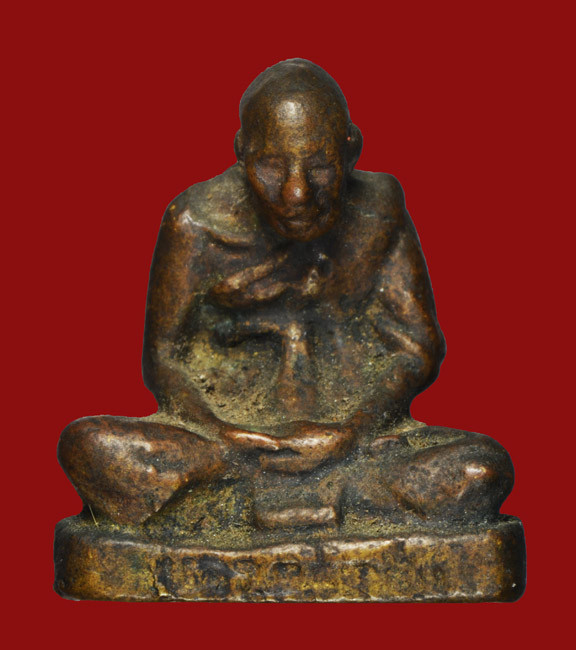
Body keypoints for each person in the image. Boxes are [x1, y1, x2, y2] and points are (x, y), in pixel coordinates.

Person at [58, 59, 513, 528]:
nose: (296, 192)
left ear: (351, 151)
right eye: (272, 166)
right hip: (227, 448)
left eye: (319, 166)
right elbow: (164, 357)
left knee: (481, 469)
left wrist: (354, 431)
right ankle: (333, 501)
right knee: (88, 447)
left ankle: (246, 506)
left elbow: (417, 348)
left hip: (354, 446)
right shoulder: (195, 224)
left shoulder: (379, 210)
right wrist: (221, 433)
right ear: (242, 153)